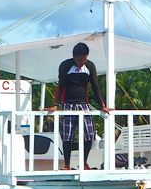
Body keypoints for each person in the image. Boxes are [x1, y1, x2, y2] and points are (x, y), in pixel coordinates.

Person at [44, 42, 111, 170]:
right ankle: (67, 165)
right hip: (68, 104)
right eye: (80, 60)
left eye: (84, 59)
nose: (82, 62)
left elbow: (95, 86)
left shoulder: (90, 66)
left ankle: (84, 162)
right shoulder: (65, 65)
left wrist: (102, 105)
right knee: (68, 135)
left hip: (83, 104)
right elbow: (61, 84)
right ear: (74, 57)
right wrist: (56, 105)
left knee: (89, 134)